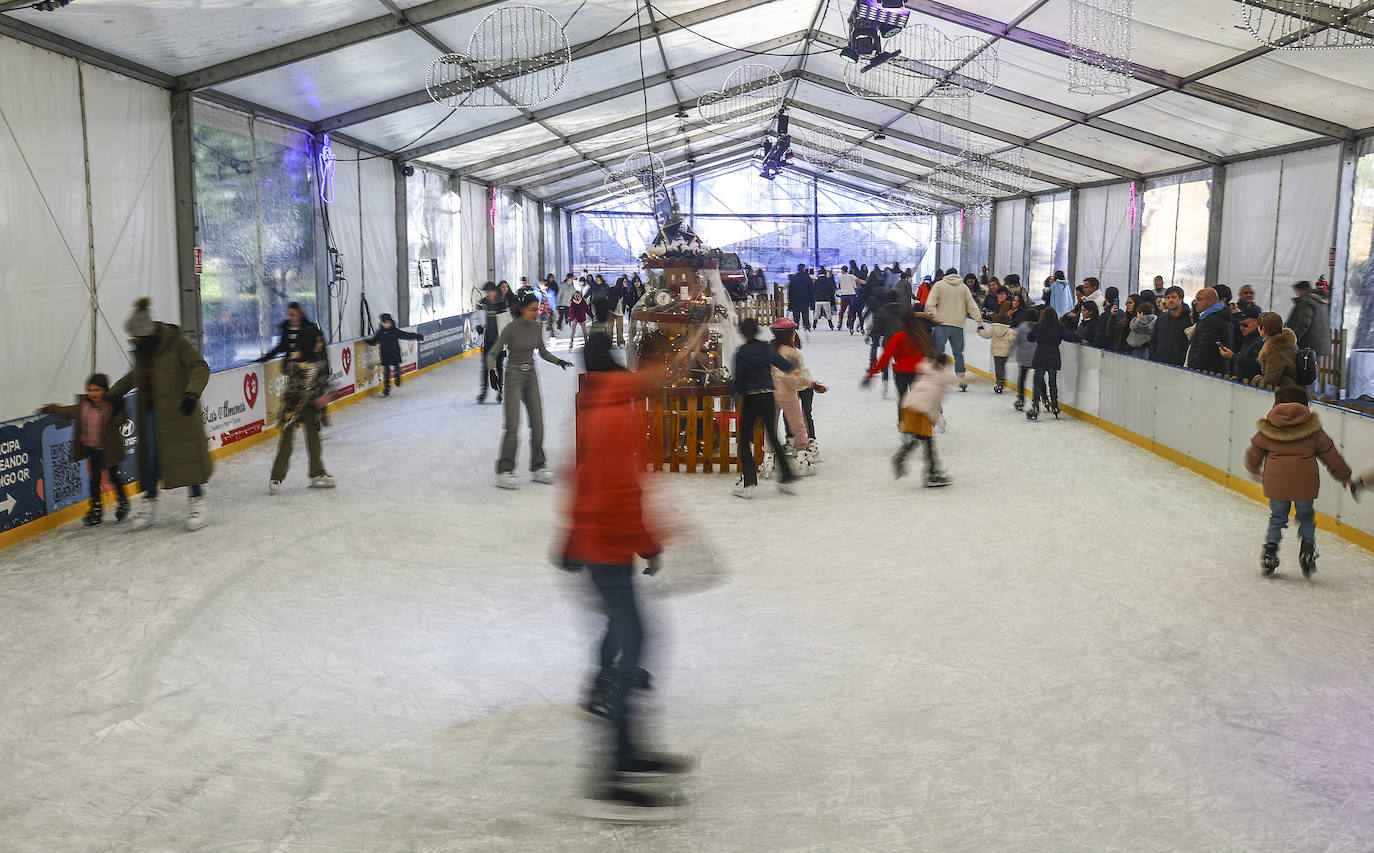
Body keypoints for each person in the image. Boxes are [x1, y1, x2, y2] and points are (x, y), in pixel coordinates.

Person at [559, 332, 691, 822]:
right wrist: (647, 543)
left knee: (633, 638)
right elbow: (613, 490)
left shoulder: (603, 403)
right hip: (607, 546)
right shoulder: (615, 413)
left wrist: (573, 538)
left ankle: (628, 753)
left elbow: (584, 477)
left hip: (601, 544)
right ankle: (610, 776)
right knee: (632, 644)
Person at [111, 298, 213, 531]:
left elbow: (200, 367)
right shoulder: (143, 352)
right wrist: (110, 395)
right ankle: (148, 503)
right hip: (151, 414)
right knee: (150, 459)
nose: (134, 341)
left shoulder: (176, 343)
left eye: (137, 337)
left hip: (180, 410)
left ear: (148, 334)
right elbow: (134, 377)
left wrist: (191, 394)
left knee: (188, 454)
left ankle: (197, 501)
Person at [1245, 386, 1351, 578]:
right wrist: (1344, 475)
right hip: (1305, 483)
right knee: (1306, 516)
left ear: (1277, 402)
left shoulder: (1268, 427)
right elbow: (1330, 454)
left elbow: (1254, 451)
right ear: (1304, 403)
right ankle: (1307, 549)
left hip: (1276, 484)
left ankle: (1270, 550)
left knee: (1277, 518)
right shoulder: (1313, 430)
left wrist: (1253, 468)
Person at [494, 293, 572, 488]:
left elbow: (543, 352)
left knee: (538, 424)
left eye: (537, 309)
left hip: (531, 377)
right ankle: (504, 469)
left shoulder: (537, 327)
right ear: (522, 309)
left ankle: (538, 466)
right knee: (512, 425)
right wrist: (491, 372)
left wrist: (558, 361)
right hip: (513, 376)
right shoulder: (511, 329)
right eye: (531, 309)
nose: (535, 313)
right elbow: (494, 351)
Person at [258, 302, 335, 494]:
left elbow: (324, 376)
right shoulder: (296, 360)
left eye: (321, 340)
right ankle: (277, 476)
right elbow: (292, 381)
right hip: (293, 404)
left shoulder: (320, 358)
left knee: (314, 438)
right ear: (309, 342)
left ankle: (317, 473)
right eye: (317, 341)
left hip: (311, 403)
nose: (321, 343)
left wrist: (324, 394)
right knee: (286, 440)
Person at [38, 373, 131, 526]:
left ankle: (123, 502)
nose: (92, 394)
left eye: (97, 390)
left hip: (110, 450)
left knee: (114, 477)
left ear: (105, 391)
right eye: (90, 390)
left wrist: (120, 408)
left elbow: (121, 420)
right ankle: (96, 508)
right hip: (92, 449)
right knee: (94, 480)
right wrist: (52, 408)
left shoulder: (111, 407)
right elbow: (66, 412)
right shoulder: (84, 407)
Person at [732, 317, 797, 498]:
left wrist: (734, 394)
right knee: (774, 438)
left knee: (745, 440)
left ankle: (749, 483)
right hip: (768, 396)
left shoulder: (742, 353)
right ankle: (786, 478)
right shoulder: (766, 348)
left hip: (751, 399)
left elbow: (738, 380)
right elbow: (785, 365)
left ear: (743, 333)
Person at [893, 354, 959, 488]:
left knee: (920, 437)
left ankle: (903, 456)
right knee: (927, 439)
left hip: (908, 405)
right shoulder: (941, 376)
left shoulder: (925, 368)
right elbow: (961, 379)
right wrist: (980, 380)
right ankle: (931, 473)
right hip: (921, 410)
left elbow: (922, 362)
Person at [769, 319, 820, 472]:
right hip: (791, 391)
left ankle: (768, 457)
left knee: (772, 425)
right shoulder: (792, 353)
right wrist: (811, 384)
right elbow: (792, 378)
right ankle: (802, 458)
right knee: (800, 422)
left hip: (772, 393)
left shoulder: (770, 349)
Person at [867, 307, 935, 422]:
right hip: (919, 371)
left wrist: (871, 373)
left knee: (903, 398)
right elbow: (930, 355)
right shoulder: (922, 336)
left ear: (902, 322)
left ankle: (903, 423)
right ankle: (920, 423)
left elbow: (885, 358)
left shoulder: (898, 337)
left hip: (901, 372)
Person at [925, 271, 985, 391]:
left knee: (938, 352)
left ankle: (937, 378)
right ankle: (961, 378)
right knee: (958, 354)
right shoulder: (963, 287)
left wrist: (930, 315)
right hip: (958, 325)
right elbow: (972, 306)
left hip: (941, 323)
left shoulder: (939, 285)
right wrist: (979, 322)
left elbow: (929, 304)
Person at [1026, 307, 1080, 420]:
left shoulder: (1038, 326)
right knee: (1052, 382)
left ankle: (1035, 404)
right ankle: (1054, 404)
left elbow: (1030, 338)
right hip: (1053, 355)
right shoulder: (1059, 327)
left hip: (1040, 355)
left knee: (1037, 382)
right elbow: (1069, 336)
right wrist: (1080, 338)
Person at [364, 313, 423, 397]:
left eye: (389, 323)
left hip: (395, 353)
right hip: (385, 354)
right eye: (386, 323)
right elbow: (374, 341)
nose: (387, 324)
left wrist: (417, 336)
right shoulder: (380, 332)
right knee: (386, 372)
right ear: (382, 323)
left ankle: (397, 377)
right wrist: (367, 341)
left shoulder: (394, 331)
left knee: (397, 368)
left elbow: (405, 335)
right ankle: (387, 388)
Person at [1286, 280, 1331, 374]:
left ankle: (1306, 389)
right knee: (1313, 372)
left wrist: (1293, 340)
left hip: (1308, 345)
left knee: (1306, 375)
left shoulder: (1306, 302)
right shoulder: (1320, 301)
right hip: (1317, 344)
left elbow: (1304, 324)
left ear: (1301, 290)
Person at [1185, 287, 1233, 374]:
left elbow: (1205, 350)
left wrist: (1193, 366)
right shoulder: (1219, 317)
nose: (1195, 303)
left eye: (1199, 299)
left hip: (1206, 372)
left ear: (1210, 301)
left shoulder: (1211, 321)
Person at [477, 283, 509, 404]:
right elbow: (477, 319)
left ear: (495, 291)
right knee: (486, 367)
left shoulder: (501, 303)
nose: (489, 293)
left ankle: (500, 391)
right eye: (487, 291)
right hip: (487, 341)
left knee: (499, 367)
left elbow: (506, 321)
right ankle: (484, 391)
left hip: (499, 341)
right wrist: (478, 327)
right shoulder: (482, 304)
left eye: (491, 291)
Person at [1150, 286, 1193, 366]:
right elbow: (1153, 341)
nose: (1170, 300)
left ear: (1181, 299)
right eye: (1167, 298)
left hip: (1180, 367)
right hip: (1159, 364)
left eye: (1173, 297)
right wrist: (1154, 357)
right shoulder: (1161, 319)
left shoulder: (1190, 321)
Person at [1257, 311, 1299, 389]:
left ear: (1263, 329)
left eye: (1259, 326)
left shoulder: (1275, 351)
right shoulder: (1289, 344)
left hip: (1286, 392)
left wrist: (1258, 380)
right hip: (1294, 389)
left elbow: (1270, 381)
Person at [978, 309, 1016, 393]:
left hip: (996, 352)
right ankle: (1002, 380)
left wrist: (980, 331)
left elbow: (986, 335)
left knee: (997, 367)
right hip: (1005, 352)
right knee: (1003, 367)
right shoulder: (1010, 331)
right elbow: (1012, 339)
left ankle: (999, 382)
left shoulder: (993, 328)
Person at [1011, 307, 1039, 412]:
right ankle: (1044, 397)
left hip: (1024, 356)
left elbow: (1017, 341)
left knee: (1022, 379)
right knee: (1039, 379)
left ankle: (1021, 399)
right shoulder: (1039, 327)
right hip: (1037, 356)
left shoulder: (1022, 327)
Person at [1223, 312, 1263, 381]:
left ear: (1257, 323)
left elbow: (1256, 364)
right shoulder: (1247, 338)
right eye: (1240, 325)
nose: (1241, 328)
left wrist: (1233, 356)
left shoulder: (1260, 341)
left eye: (1245, 325)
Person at [787, 263, 814, 332]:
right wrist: (812, 302)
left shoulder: (794, 278)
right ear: (804, 269)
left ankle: (796, 327)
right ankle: (806, 326)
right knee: (805, 314)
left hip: (796, 300)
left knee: (796, 316)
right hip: (805, 300)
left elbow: (790, 291)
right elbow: (811, 291)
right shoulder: (808, 278)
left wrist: (790, 303)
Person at [837, 265, 858, 330]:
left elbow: (839, 286)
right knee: (851, 310)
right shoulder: (852, 276)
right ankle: (848, 322)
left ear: (842, 271)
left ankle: (840, 322)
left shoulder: (840, 277)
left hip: (844, 295)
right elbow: (856, 285)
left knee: (842, 310)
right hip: (852, 295)